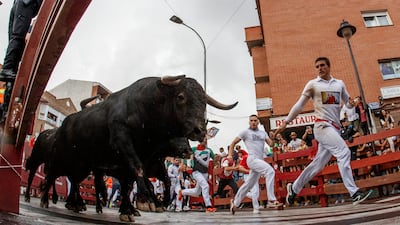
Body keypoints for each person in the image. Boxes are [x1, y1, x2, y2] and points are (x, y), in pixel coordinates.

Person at [275, 57, 373, 206]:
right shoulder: (313, 84)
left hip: (335, 129)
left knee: (318, 165)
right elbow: (299, 105)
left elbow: (348, 103)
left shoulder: (339, 84)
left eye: (322, 65)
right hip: (322, 127)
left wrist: (353, 103)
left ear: (329, 66)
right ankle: (354, 193)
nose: (320, 68)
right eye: (317, 66)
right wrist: (286, 122)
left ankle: (294, 188)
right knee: (344, 152)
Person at [229, 114, 282, 215]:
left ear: (258, 122)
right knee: (270, 171)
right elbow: (233, 143)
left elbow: (271, 144)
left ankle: (235, 203)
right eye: (251, 120)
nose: (253, 122)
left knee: (248, 184)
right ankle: (271, 199)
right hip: (252, 159)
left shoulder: (262, 133)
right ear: (249, 122)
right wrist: (230, 155)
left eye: (255, 121)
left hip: (260, 160)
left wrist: (274, 138)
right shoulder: (245, 132)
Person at [0, 0, 43, 81]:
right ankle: (7, 68)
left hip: (22, 5)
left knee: (17, 37)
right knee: (19, 36)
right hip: (25, 4)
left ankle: (10, 71)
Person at [178, 137, 217, 213]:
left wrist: (217, 158)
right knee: (205, 186)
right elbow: (184, 154)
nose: (205, 141)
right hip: (196, 172)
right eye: (203, 140)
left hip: (205, 173)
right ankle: (208, 206)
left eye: (206, 140)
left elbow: (214, 159)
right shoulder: (194, 149)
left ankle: (182, 192)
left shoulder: (209, 150)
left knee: (197, 192)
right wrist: (182, 164)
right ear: (199, 141)